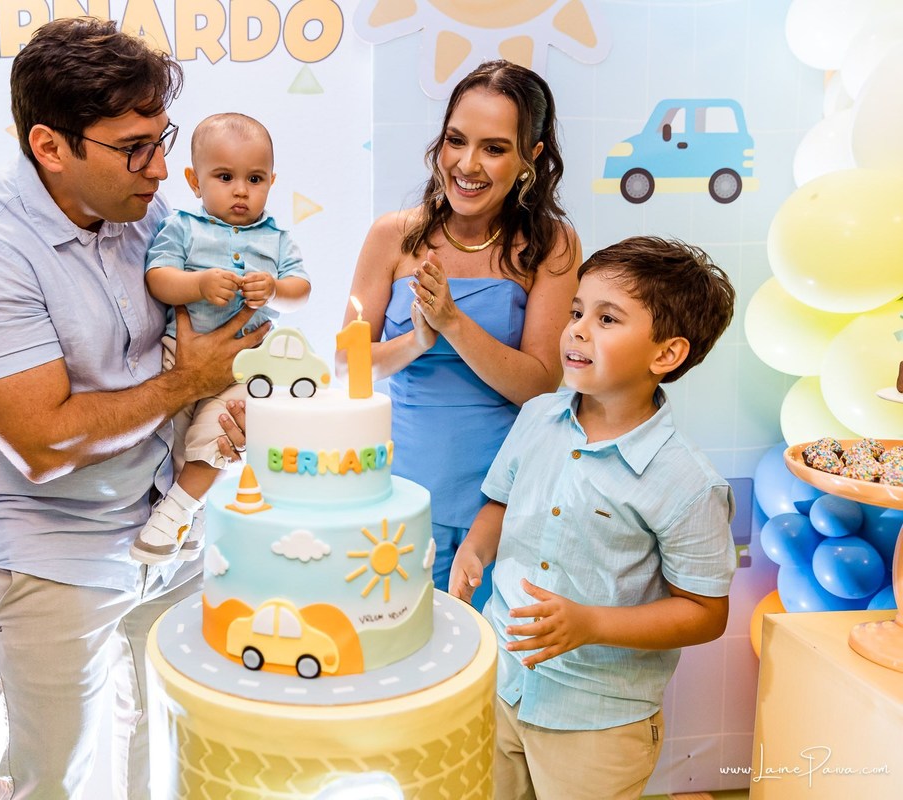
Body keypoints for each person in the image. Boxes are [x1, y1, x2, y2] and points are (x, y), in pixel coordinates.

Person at [0, 18, 265, 800]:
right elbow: (44, 441)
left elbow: (202, 345)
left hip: (167, 537)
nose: (161, 167)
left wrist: (231, 402)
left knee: (169, 750)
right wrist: (188, 383)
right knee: (54, 776)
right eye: (135, 146)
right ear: (50, 145)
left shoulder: (150, 216)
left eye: (162, 137)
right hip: (51, 556)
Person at [449, 236, 738, 800]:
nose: (577, 328)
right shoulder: (535, 417)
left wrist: (591, 624)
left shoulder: (686, 481)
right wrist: (475, 550)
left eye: (607, 318)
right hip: (501, 687)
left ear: (665, 355)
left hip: (598, 723)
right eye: (577, 310)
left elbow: (705, 613)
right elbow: (501, 505)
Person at [338, 60, 581, 607]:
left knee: (489, 670)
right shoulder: (392, 236)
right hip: (398, 493)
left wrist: (451, 321)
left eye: (494, 148)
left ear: (531, 158)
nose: (467, 165)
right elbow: (346, 367)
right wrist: (417, 340)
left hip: (502, 502)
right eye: (455, 140)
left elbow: (541, 386)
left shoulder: (552, 245)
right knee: (399, 654)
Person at [130, 112, 310, 564]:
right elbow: (158, 277)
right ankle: (190, 520)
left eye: (255, 178)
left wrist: (274, 288)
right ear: (194, 180)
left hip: (243, 366)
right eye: (225, 177)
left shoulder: (277, 238)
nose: (241, 191)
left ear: (272, 181)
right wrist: (197, 285)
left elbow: (301, 290)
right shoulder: (183, 227)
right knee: (170, 439)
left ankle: (178, 511)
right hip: (177, 355)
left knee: (216, 437)